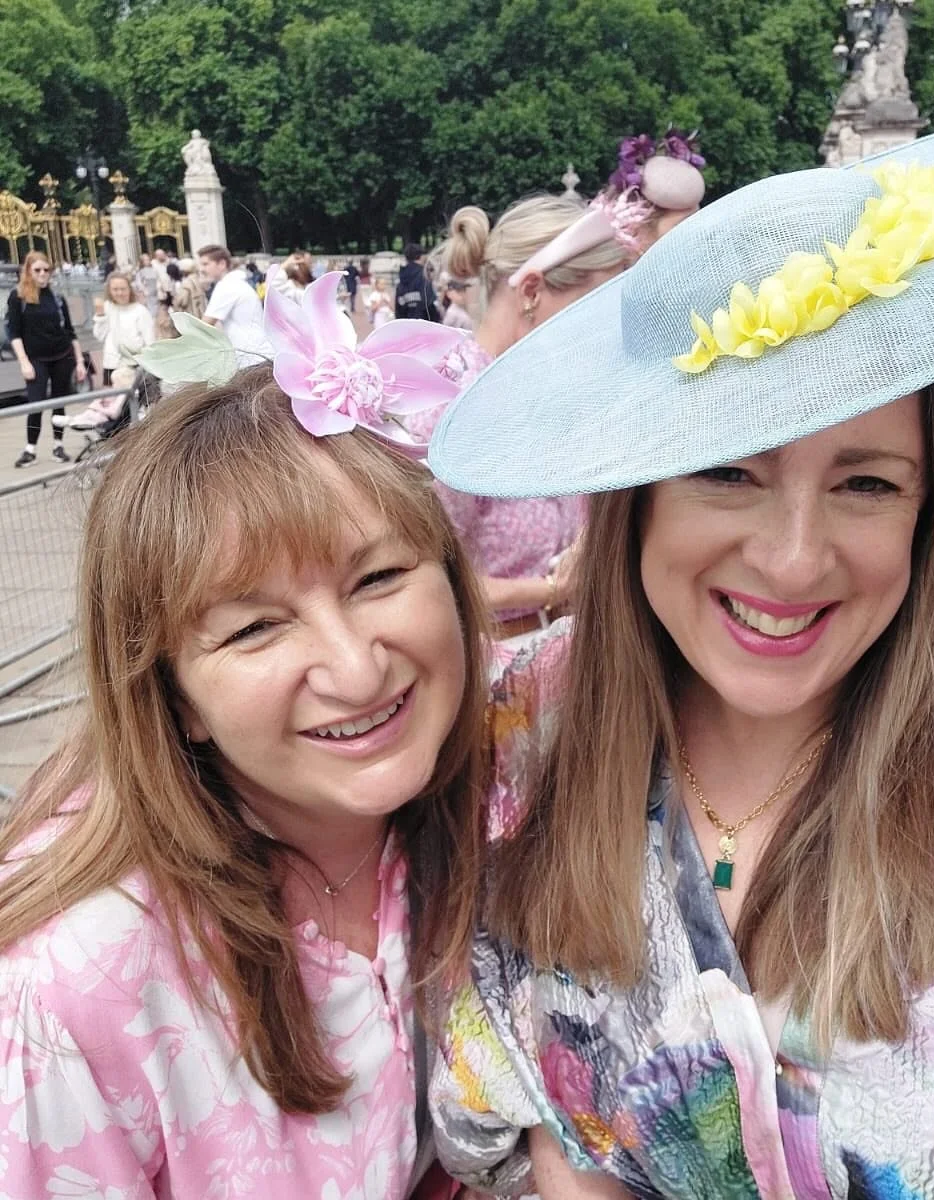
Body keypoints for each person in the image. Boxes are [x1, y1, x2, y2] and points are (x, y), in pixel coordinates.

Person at [427, 101, 934, 1196]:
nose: (792, 562)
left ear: (931, 504)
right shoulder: (520, 733)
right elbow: (503, 1129)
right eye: (730, 470)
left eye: (866, 483)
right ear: (635, 496)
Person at [0, 290, 491, 1192]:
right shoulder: (69, 990)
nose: (354, 669)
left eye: (378, 577)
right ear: (173, 694)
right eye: (255, 629)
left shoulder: (495, 803)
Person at [407, 197, 628, 638]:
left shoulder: (545, 390)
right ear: (530, 293)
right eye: (593, 307)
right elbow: (423, 579)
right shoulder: (453, 410)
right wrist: (550, 589)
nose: (606, 328)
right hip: (499, 668)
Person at [5, 251, 86, 467]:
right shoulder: (18, 296)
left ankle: (58, 445)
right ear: (28, 271)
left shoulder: (56, 298)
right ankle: (30, 448)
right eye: (37, 270)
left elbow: (69, 331)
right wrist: (23, 362)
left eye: (46, 270)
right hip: (35, 359)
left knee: (59, 402)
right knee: (36, 403)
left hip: (61, 355)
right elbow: (14, 333)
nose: (42, 274)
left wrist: (79, 361)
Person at [199, 243, 272, 367]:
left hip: (251, 357)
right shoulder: (235, 283)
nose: (201, 269)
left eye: (206, 264)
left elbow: (204, 324)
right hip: (257, 354)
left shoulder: (227, 286)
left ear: (222, 264)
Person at [396, 244, 441, 322]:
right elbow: (429, 302)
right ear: (421, 256)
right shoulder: (423, 274)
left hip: (408, 323)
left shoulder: (401, 276)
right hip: (425, 322)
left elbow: (399, 308)